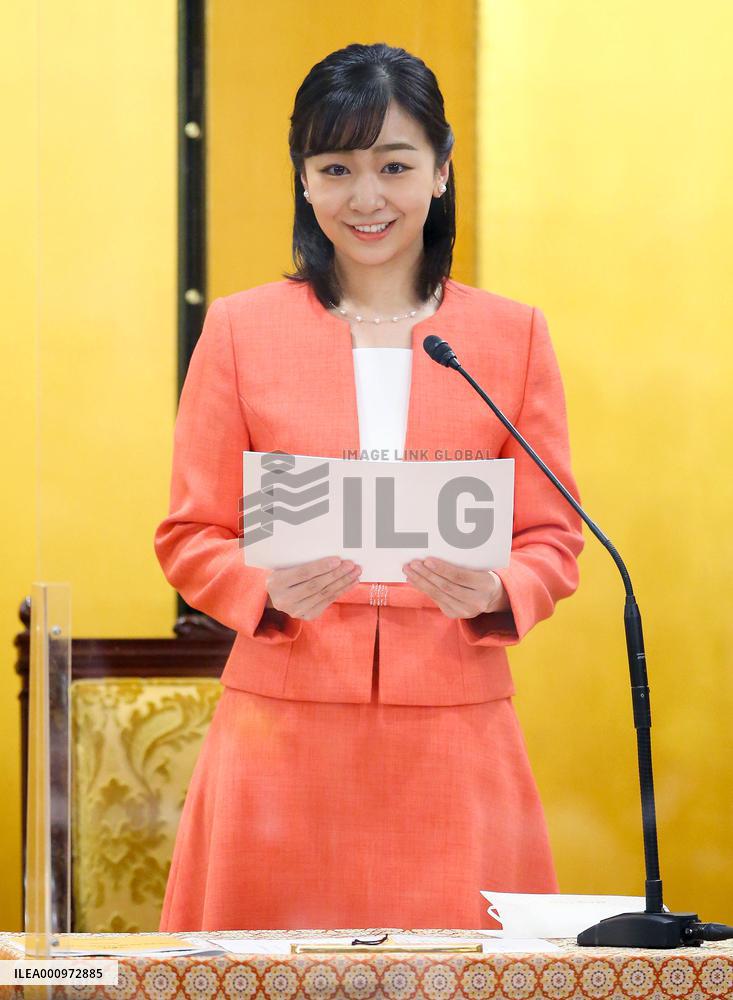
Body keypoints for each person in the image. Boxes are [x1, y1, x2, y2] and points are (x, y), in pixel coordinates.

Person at [154, 42, 584, 932]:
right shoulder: (238, 331)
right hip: (282, 730)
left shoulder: (511, 338)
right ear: (304, 182)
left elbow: (554, 538)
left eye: (394, 165)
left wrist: (499, 587)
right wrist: (258, 585)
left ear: (440, 170)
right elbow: (189, 534)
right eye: (335, 168)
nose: (366, 197)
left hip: (455, 731)